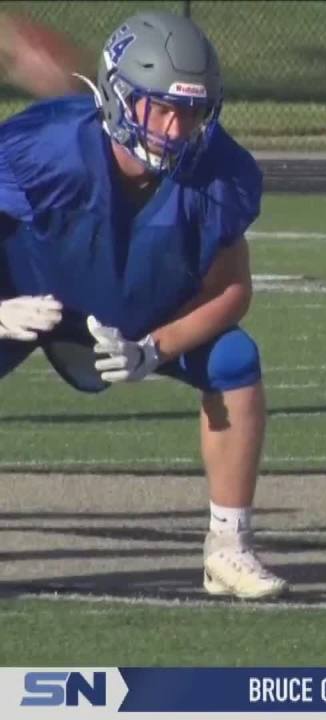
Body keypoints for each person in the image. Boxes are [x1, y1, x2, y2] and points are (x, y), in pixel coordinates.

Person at [0, 11, 286, 598]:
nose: (178, 130)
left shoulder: (220, 172)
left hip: (139, 318)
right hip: (30, 299)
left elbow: (232, 289)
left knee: (234, 360)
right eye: (162, 109)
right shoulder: (50, 148)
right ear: (117, 97)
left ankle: (228, 548)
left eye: (192, 111)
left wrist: (156, 349)